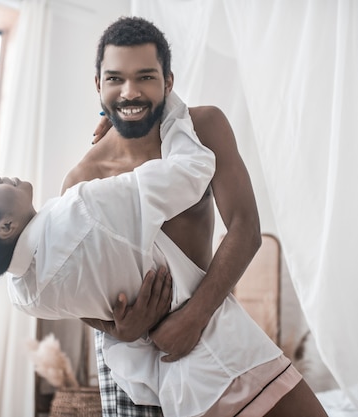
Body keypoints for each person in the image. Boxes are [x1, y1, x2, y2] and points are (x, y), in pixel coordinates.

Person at [61, 16, 328, 417]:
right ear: (98, 84)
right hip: (131, 354)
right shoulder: (83, 180)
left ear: (168, 82)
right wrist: (119, 329)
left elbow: (245, 227)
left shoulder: (203, 128)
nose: (129, 91)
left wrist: (195, 316)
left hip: (209, 318)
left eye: (145, 77)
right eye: (115, 78)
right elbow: (66, 281)